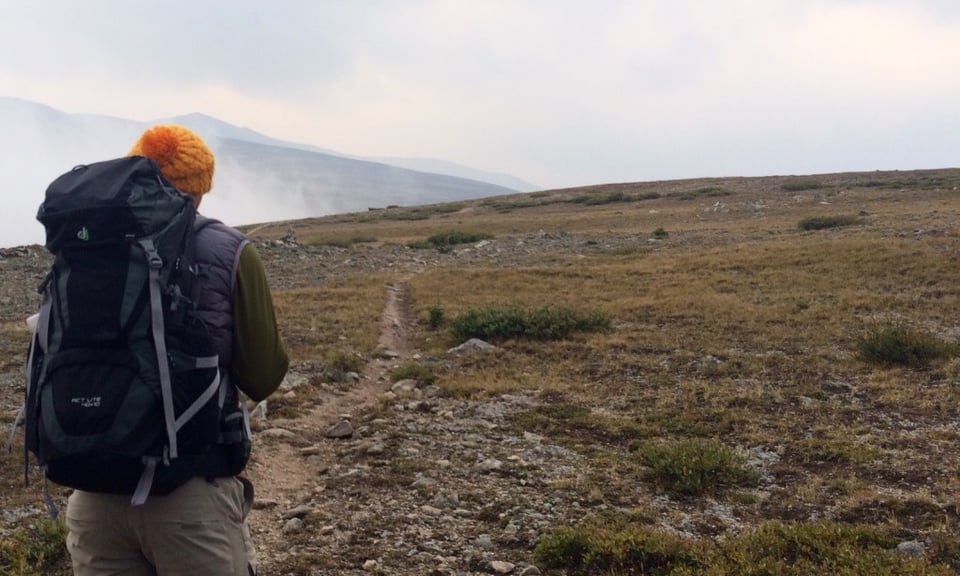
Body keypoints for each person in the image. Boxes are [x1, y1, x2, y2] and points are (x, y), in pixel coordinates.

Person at [64, 125, 289, 576]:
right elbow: (262, 375)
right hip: (188, 493)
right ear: (202, 187)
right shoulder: (230, 251)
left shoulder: (84, 248)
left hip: (91, 493)